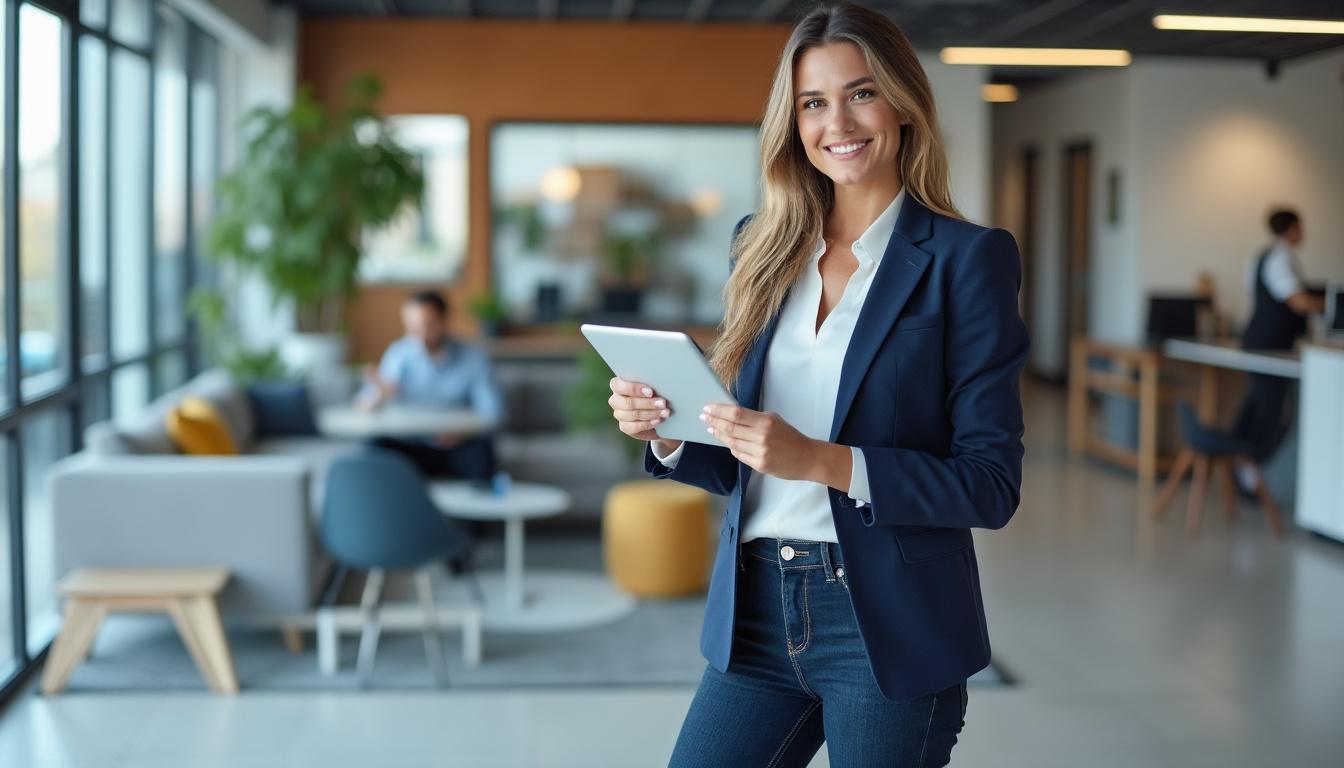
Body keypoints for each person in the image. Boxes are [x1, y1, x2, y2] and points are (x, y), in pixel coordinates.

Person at [605, 3, 1028, 765]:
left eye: (861, 92)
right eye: (813, 102)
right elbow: (743, 457)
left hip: (888, 628)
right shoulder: (759, 247)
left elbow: (990, 485)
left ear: (902, 102)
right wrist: (669, 434)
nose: (839, 121)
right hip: (756, 612)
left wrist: (825, 461)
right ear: (792, 121)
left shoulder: (969, 260)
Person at [358, 290, 503, 481]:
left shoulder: (472, 357)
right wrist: (379, 395)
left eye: (428, 326)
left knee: (481, 451)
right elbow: (364, 403)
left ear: (445, 320)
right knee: (374, 448)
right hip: (410, 445)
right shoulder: (400, 353)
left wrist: (460, 433)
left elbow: (493, 412)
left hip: (456, 447)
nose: (421, 336)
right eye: (413, 328)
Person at [1231, 209, 1324, 463]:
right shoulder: (1282, 258)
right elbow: (1298, 302)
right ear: (1292, 228)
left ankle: (1245, 467)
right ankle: (1252, 471)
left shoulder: (1260, 256)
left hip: (1257, 338)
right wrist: (1330, 305)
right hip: (1269, 343)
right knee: (1270, 412)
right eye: (1301, 227)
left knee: (1259, 405)